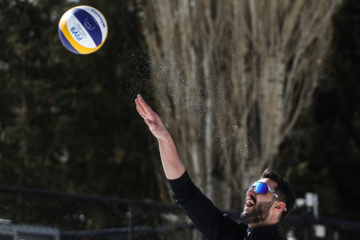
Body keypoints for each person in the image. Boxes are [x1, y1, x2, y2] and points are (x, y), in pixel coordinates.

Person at [135, 94, 296, 240]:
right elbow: (184, 192)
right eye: (253, 185)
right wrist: (164, 139)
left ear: (278, 206)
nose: (251, 191)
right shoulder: (228, 233)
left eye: (261, 188)